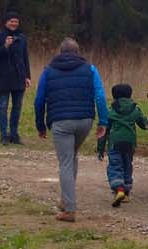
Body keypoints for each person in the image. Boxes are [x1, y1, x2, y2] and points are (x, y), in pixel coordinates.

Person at [32, 37, 108, 223]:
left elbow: (39, 100)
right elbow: (100, 95)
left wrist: (40, 125)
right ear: (78, 51)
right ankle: (66, 200)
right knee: (71, 156)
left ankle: (70, 210)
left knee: (65, 162)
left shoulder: (48, 71)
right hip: (85, 121)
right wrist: (103, 121)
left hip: (61, 122)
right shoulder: (90, 69)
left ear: (60, 51)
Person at [101, 83, 148, 206]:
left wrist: (100, 148)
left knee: (115, 165)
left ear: (114, 96)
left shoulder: (110, 111)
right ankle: (126, 192)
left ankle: (119, 190)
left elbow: (103, 130)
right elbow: (145, 125)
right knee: (127, 164)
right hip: (130, 143)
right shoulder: (135, 109)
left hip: (115, 142)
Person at [0, 12, 32, 145]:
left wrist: (27, 76)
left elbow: (25, 58)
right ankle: (4, 135)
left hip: (19, 76)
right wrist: (5, 46)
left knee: (17, 106)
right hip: (4, 77)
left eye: (16, 21)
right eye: (11, 21)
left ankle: (14, 134)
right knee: (3, 106)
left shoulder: (22, 37)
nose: (14, 24)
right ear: (6, 22)